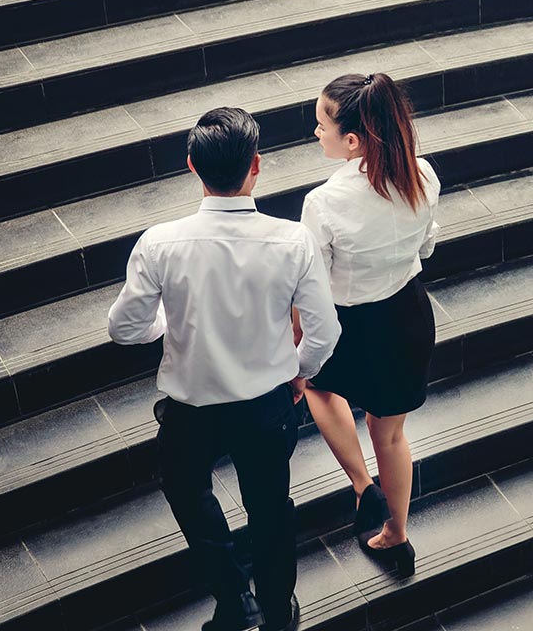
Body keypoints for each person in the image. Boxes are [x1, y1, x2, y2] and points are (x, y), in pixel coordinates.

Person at [108, 108, 341, 631]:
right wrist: (298, 373)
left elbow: (124, 328)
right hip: (265, 404)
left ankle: (235, 600)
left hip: (190, 409)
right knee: (271, 509)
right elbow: (325, 332)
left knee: (189, 497)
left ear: (192, 166)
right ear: (256, 165)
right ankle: (279, 610)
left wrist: (167, 321)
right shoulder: (291, 241)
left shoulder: (160, 243)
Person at [293, 72, 440, 579]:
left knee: (316, 387)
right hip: (406, 315)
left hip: (349, 323)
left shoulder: (324, 203)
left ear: (352, 139)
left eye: (321, 125)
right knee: (392, 433)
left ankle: (361, 487)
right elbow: (425, 249)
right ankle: (395, 533)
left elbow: (312, 282)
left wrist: (297, 341)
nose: (316, 133)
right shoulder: (423, 175)